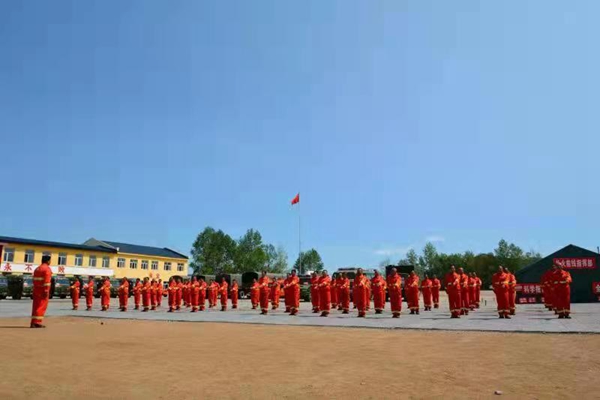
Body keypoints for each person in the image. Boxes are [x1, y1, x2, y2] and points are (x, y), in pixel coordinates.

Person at [30, 255, 52, 328]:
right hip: (42, 290)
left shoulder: (37, 269)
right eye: (50, 260)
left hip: (36, 290)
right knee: (41, 306)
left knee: (35, 306)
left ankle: (33, 322)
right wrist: (46, 291)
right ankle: (37, 322)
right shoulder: (47, 269)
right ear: (48, 261)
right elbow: (47, 282)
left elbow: (34, 280)